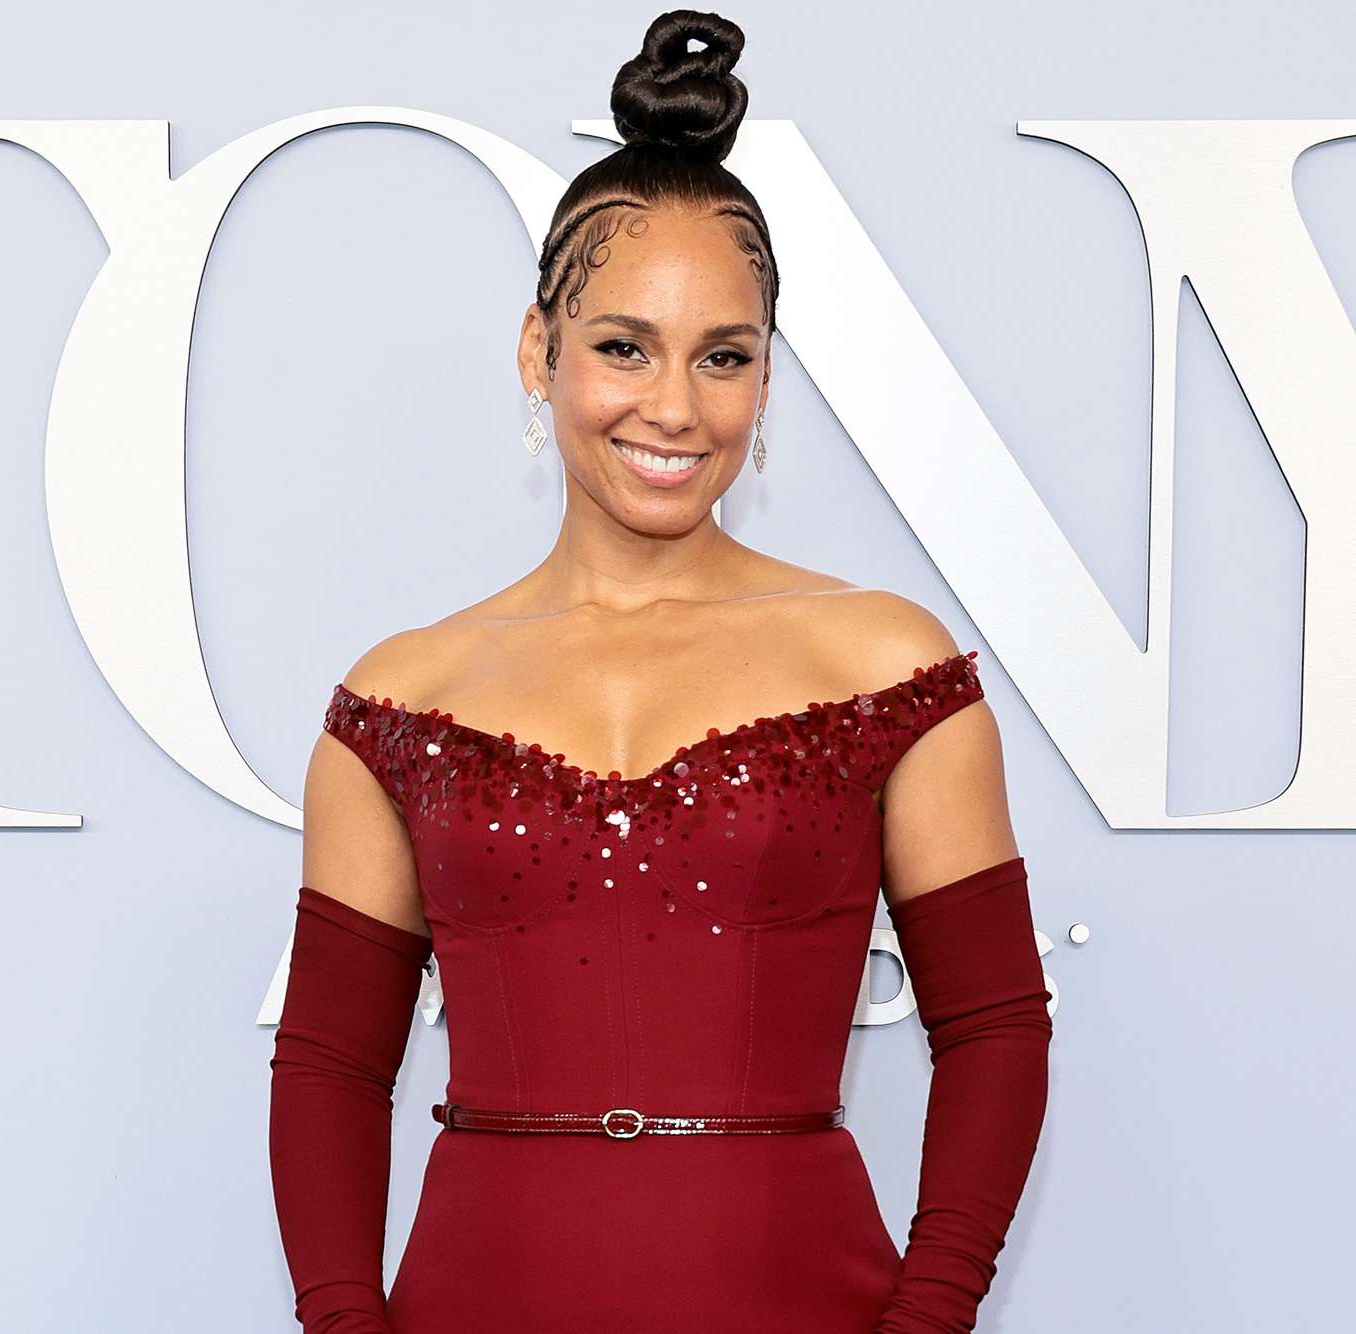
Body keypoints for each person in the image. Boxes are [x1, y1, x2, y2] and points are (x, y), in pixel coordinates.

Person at [269, 10, 1052, 1330]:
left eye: (724, 357)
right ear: (540, 352)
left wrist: (931, 1316)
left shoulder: (885, 668)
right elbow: (332, 1069)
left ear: (764, 375)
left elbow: (996, 1029)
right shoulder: (399, 706)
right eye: (625, 345)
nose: (676, 407)